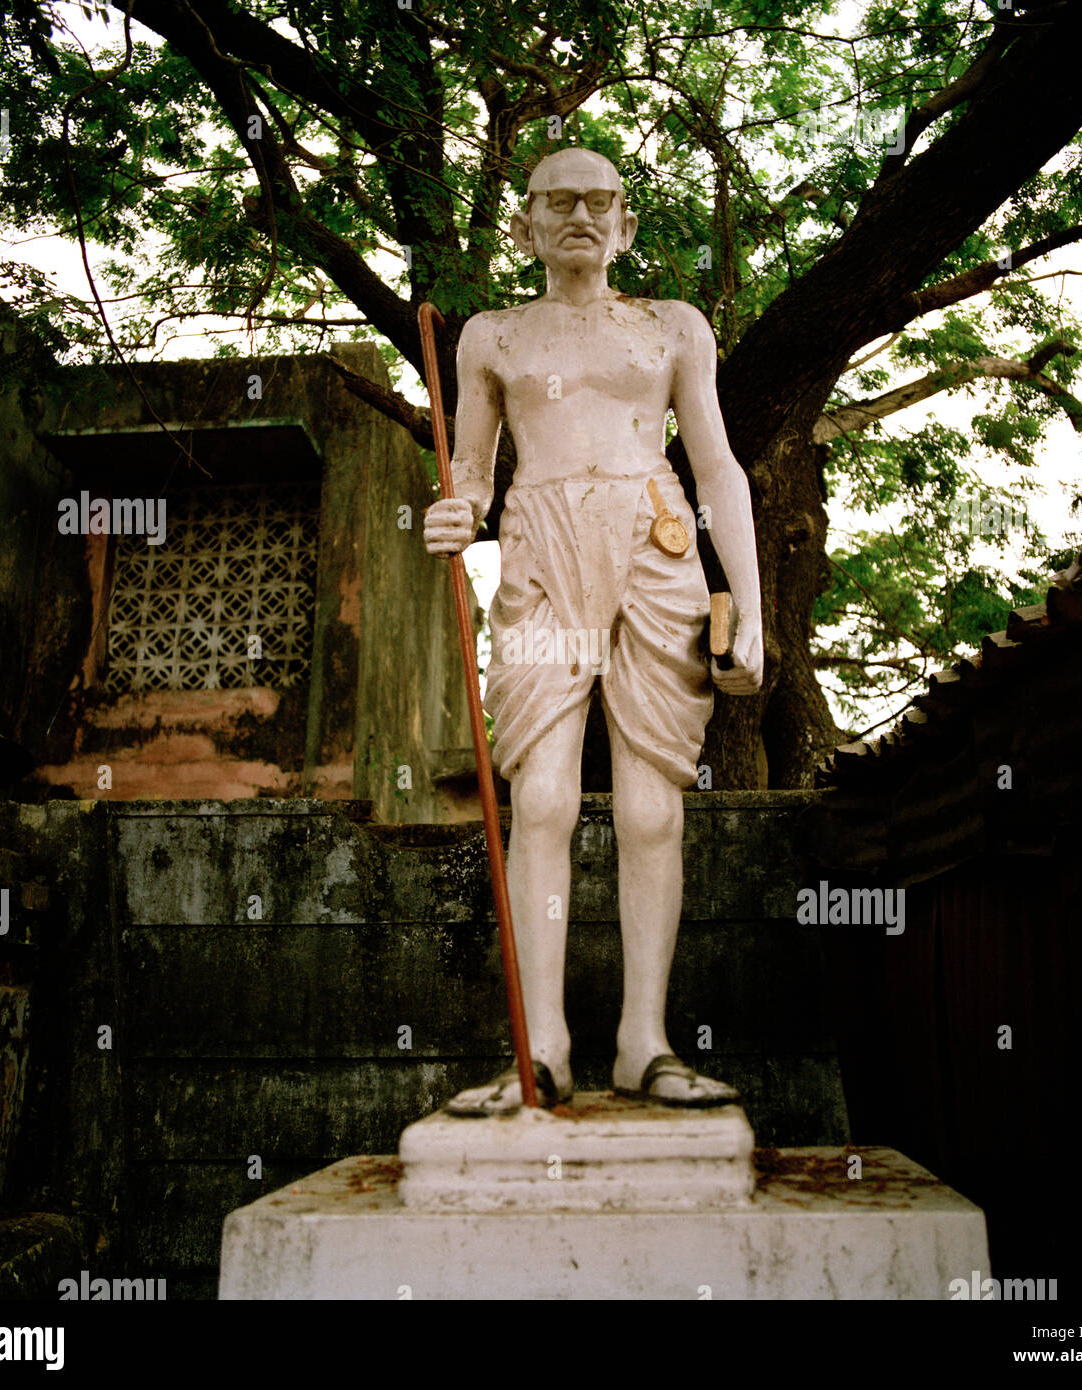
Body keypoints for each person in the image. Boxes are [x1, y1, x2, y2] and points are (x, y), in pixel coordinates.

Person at [424, 148, 763, 1111]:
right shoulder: (491, 337)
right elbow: (473, 474)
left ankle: (643, 1043)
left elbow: (718, 468)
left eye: (599, 202)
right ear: (526, 224)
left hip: (656, 551)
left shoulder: (669, 328)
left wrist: (748, 604)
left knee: (654, 807)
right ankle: (541, 1051)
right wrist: (454, 512)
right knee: (541, 801)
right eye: (558, 202)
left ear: (624, 226)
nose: (580, 215)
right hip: (537, 554)